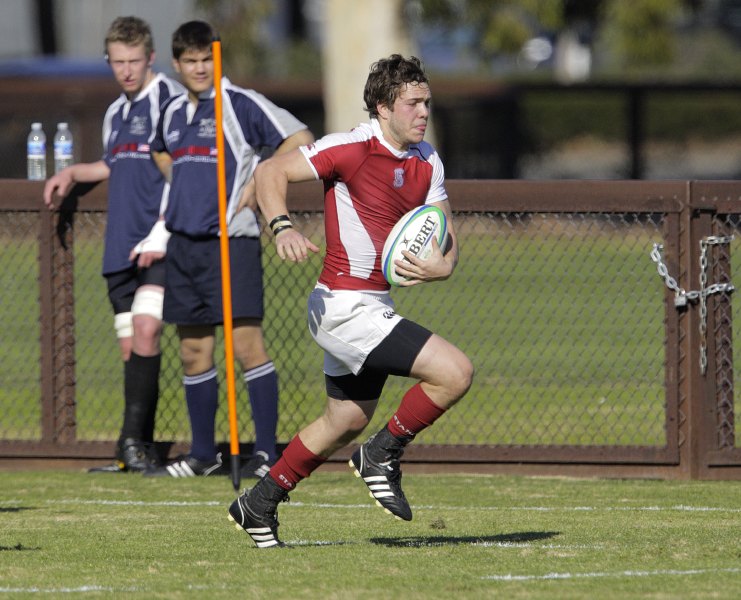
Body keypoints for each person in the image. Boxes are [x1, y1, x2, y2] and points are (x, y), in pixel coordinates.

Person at [227, 54, 474, 548]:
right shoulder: (351, 147)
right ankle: (381, 453)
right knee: (455, 372)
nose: (423, 112)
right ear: (383, 107)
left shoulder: (428, 159)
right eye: (412, 103)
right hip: (342, 306)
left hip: (374, 306)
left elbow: (444, 230)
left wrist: (444, 265)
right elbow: (270, 172)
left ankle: (258, 503)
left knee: (344, 420)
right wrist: (281, 227)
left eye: (427, 102)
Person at [144, 21, 314, 479]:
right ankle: (202, 455)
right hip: (184, 245)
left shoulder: (240, 103)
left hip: (231, 241)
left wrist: (260, 180)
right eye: (191, 61)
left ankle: (265, 454)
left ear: (217, 59)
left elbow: (300, 139)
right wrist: (180, 184)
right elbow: (159, 150)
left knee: (246, 346)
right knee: (193, 351)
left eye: (207, 59)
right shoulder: (171, 110)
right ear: (177, 64)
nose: (200, 68)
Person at [43, 16, 184, 473]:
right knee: (131, 350)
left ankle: (131, 444)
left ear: (150, 57)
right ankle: (137, 449)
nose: (126, 70)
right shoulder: (115, 113)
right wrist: (72, 173)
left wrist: (162, 231)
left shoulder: (170, 101)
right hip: (119, 245)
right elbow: (111, 164)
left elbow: (184, 172)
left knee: (146, 329)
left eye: (134, 61)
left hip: (159, 243)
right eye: (118, 62)